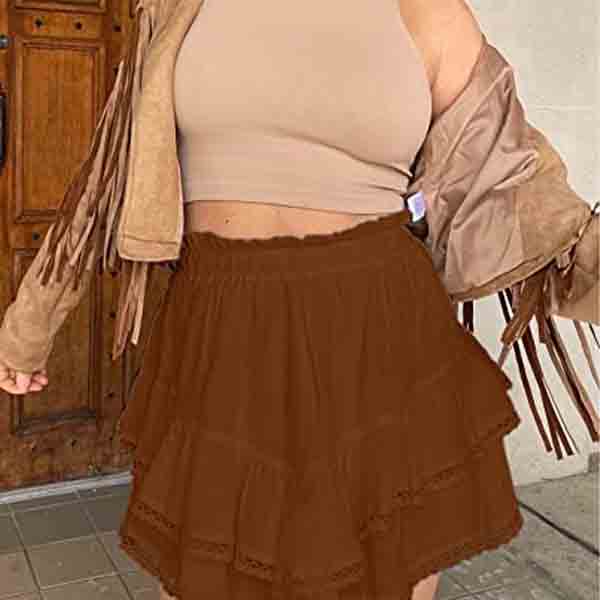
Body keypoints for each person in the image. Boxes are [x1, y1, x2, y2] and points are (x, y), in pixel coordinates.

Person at [1, 1, 526, 599]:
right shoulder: (175, 6)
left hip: (377, 334)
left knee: (382, 578)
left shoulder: (428, 10)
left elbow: (513, 182)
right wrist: (29, 323)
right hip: (220, 333)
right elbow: (105, 180)